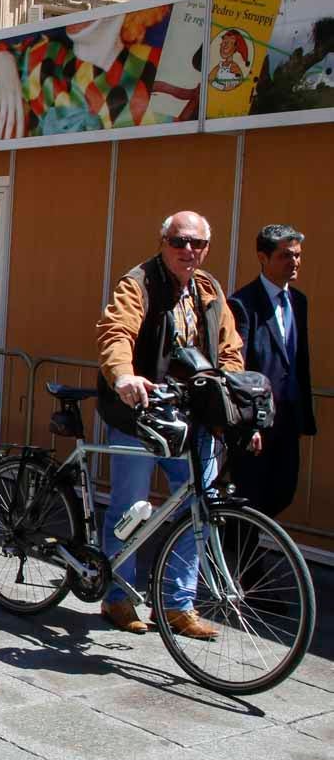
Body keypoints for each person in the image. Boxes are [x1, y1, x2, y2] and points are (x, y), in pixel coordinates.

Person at [96, 210, 243, 639]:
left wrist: (231, 397)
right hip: (141, 412)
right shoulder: (139, 282)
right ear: (163, 242)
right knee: (130, 508)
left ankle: (177, 604)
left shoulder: (210, 290)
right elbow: (115, 331)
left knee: (200, 504)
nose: (188, 250)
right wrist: (123, 376)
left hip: (192, 416)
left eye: (197, 243)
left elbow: (229, 348)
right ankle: (118, 595)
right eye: (179, 241)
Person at [229, 224, 314, 518]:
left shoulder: (298, 302)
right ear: (263, 258)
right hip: (258, 422)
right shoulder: (243, 304)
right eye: (285, 256)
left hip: (288, 418)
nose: (294, 263)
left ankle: (245, 555)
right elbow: (236, 366)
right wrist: (247, 422)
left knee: (283, 491)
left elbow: (297, 360)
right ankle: (238, 560)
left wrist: (304, 415)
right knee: (250, 497)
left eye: (298, 256)